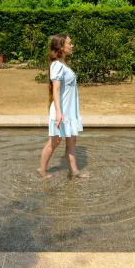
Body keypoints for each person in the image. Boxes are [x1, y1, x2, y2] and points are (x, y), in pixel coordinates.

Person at [37, 33, 89, 179]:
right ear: (61, 46)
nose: (72, 45)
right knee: (55, 142)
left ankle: (74, 171)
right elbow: (56, 90)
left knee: (71, 141)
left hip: (70, 111)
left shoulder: (63, 64)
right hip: (61, 111)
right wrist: (59, 113)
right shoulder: (57, 65)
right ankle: (42, 170)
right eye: (69, 43)